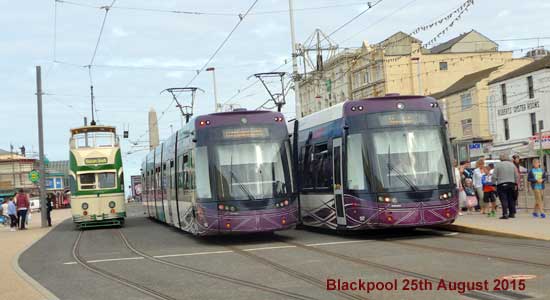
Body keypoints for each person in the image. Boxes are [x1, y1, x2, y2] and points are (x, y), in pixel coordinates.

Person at [493, 154, 519, 219]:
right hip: (511, 184)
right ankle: (512, 213)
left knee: (503, 199)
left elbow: (494, 176)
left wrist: (493, 184)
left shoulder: (498, 165)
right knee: (511, 199)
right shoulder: (512, 165)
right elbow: (516, 175)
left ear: (500, 159)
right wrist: (516, 183)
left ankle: (505, 214)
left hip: (501, 184)